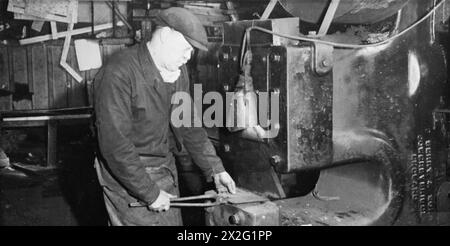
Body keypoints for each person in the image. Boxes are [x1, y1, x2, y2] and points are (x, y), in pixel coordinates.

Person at [93, 7, 236, 226]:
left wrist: (215, 169)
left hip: (164, 169)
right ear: (166, 35)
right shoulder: (118, 73)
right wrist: (149, 192)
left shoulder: (177, 72)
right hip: (127, 177)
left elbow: (188, 125)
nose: (188, 57)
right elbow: (115, 147)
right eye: (187, 48)